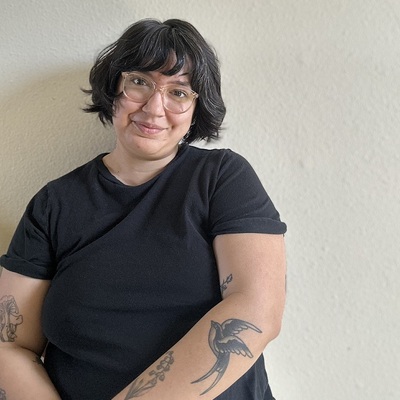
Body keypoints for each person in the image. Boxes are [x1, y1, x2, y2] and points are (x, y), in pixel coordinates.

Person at [0, 18, 287, 400]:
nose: (154, 107)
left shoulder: (222, 178)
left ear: (196, 108)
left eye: (178, 92)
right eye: (139, 82)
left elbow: (256, 311)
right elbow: (10, 346)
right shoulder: (54, 205)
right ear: (114, 89)